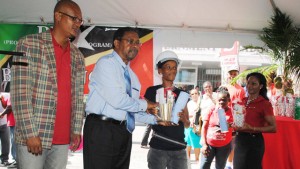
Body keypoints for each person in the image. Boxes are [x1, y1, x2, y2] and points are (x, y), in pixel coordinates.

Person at [10, 1, 85, 168]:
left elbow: (78, 98)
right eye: (74, 18)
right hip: (35, 135)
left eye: (80, 21)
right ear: (58, 16)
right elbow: (19, 92)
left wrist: (76, 129)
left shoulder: (78, 56)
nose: (78, 24)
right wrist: (30, 133)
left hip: (63, 139)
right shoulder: (29, 44)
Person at [83, 27, 162, 169]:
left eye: (138, 42)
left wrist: (158, 120)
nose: (135, 46)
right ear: (117, 43)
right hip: (102, 130)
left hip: (124, 132)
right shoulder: (106, 64)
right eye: (130, 41)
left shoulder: (133, 77)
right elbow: (118, 100)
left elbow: (131, 110)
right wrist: (147, 104)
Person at [146, 50, 190, 169]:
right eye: (168, 67)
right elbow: (144, 115)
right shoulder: (151, 91)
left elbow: (187, 124)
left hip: (178, 149)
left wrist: (184, 119)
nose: (172, 70)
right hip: (158, 148)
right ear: (160, 70)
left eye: (174, 67)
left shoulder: (182, 94)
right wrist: (153, 113)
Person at [233, 72, 276, 169]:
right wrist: (232, 124)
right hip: (240, 140)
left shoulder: (264, 104)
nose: (250, 86)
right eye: (248, 83)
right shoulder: (241, 101)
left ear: (260, 86)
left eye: (254, 83)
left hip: (254, 142)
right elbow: (239, 123)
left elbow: (273, 128)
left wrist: (252, 128)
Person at [225, 65, 246, 169]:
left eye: (235, 74)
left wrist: (239, 121)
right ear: (228, 75)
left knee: (233, 142)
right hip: (224, 118)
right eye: (231, 74)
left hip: (236, 119)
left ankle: (230, 163)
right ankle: (223, 162)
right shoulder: (224, 88)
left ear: (238, 75)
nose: (233, 76)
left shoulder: (241, 90)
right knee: (223, 140)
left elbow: (242, 107)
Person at [0, 94, 17, 167]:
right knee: (12, 141)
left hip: (13, 121)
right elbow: (6, 106)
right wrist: (2, 100)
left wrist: (2, 113)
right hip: (11, 122)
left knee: (13, 141)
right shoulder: (7, 95)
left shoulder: (13, 94)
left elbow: (9, 107)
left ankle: (15, 160)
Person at [185, 88, 201, 162]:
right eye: (192, 94)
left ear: (198, 94)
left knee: (196, 143)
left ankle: (197, 159)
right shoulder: (189, 103)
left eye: (196, 93)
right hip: (188, 126)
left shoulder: (201, 103)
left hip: (197, 126)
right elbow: (186, 115)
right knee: (188, 142)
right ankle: (188, 159)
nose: (194, 95)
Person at [0, 94, 10, 167]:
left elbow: (8, 107)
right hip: (4, 122)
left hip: (4, 123)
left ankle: (5, 160)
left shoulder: (5, 95)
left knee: (5, 142)